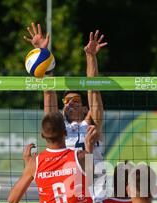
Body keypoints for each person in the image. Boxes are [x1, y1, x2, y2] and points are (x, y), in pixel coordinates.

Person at [24, 23, 107, 166]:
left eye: (75, 100)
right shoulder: (58, 130)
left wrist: (90, 56)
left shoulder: (93, 126)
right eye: (66, 100)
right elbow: (48, 91)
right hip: (68, 184)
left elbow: (93, 88)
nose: (69, 103)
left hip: (94, 185)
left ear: (85, 109)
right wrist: (42, 53)